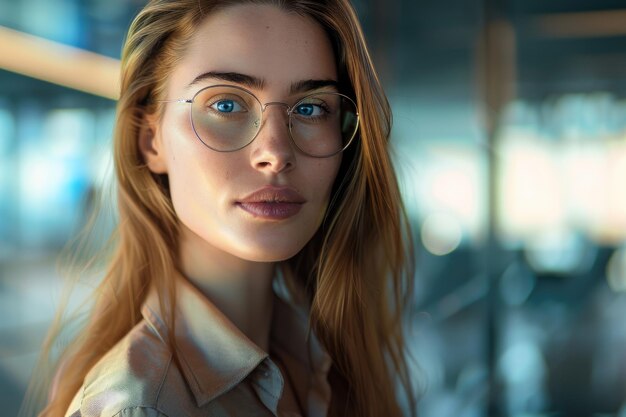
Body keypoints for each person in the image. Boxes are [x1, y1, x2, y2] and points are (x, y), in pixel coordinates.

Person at [28, 0, 417, 416]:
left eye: (310, 108)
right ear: (151, 140)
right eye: (226, 105)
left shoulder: (320, 359)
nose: (275, 152)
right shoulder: (140, 407)